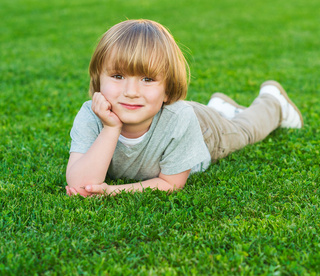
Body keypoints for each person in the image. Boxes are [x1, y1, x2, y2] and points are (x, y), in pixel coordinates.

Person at [65, 19, 303, 197]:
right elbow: (79, 184)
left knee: (245, 132)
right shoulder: (91, 115)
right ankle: (222, 107)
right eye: (117, 76)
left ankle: (273, 102)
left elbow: (170, 183)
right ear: (99, 79)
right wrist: (110, 127)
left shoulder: (179, 119)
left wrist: (111, 191)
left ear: (167, 90)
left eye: (147, 79)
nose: (131, 91)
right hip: (183, 120)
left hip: (205, 131)